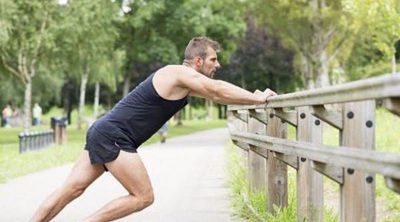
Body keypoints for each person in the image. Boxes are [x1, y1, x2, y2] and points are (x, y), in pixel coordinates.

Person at [31, 36, 277, 221]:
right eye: (213, 59)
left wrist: (249, 96)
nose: (218, 64)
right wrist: (258, 100)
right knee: (143, 196)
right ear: (198, 61)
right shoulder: (178, 73)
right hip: (116, 136)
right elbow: (216, 89)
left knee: (71, 189)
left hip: (104, 130)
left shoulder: (185, 83)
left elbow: (219, 97)